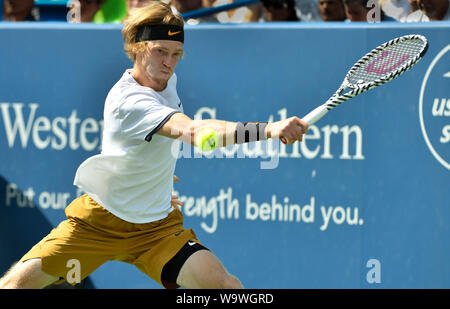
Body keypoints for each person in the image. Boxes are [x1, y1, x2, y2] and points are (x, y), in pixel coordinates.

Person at [0, 1, 308, 289]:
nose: (169, 63)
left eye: (176, 54)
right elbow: (195, 133)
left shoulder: (163, 81)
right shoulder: (130, 100)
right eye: (161, 51)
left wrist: (152, 182)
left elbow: (147, 148)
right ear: (137, 48)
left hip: (157, 230)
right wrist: (268, 129)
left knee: (226, 287)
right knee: (16, 285)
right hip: (100, 225)